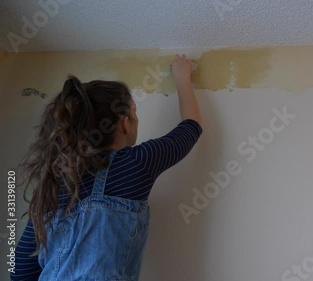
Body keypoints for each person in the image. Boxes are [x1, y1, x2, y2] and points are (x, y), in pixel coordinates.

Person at [11, 54, 202, 281]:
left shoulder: (52, 186)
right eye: (134, 112)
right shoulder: (134, 164)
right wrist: (182, 77)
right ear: (124, 123)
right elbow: (191, 128)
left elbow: (20, 271)